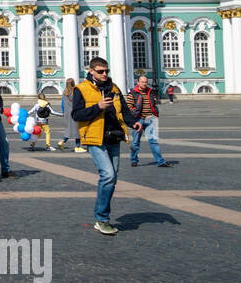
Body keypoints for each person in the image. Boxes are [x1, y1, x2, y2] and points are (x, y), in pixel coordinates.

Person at [72, 56, 143, 235]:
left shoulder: (114, 88)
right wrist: (98, 106)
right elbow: (77, 114)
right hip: (94, 138)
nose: (104, 74)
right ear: (91, 71)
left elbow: (124, 110)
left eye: (106, 71)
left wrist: (133, 122)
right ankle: (102, 218)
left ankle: (102, 216)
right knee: (108, 175)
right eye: (100, 71)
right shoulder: (81, 89)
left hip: (114, 137)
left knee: (111, 179)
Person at [128, 74, 173, 168]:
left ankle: (160, 161)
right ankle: (134, 160)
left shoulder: (150, 91)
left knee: (153, 141)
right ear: (138, 82)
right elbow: (129, 106)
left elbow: (154, 103)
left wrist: (155, 114)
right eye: (142, 82)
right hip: (138, 119)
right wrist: (134, 115)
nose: (144, 84)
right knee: (135, 142)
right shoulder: (133, 93)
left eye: (145, 82)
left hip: (150, 119)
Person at [58, 78, 81, 151]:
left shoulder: (64, 92)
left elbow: (62, 104)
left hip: (67, 113)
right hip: (75, 112)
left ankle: (62, 141)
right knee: (78, 130)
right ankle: (77, 147)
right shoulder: (75, 92)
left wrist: (63, 112)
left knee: (69, 129)